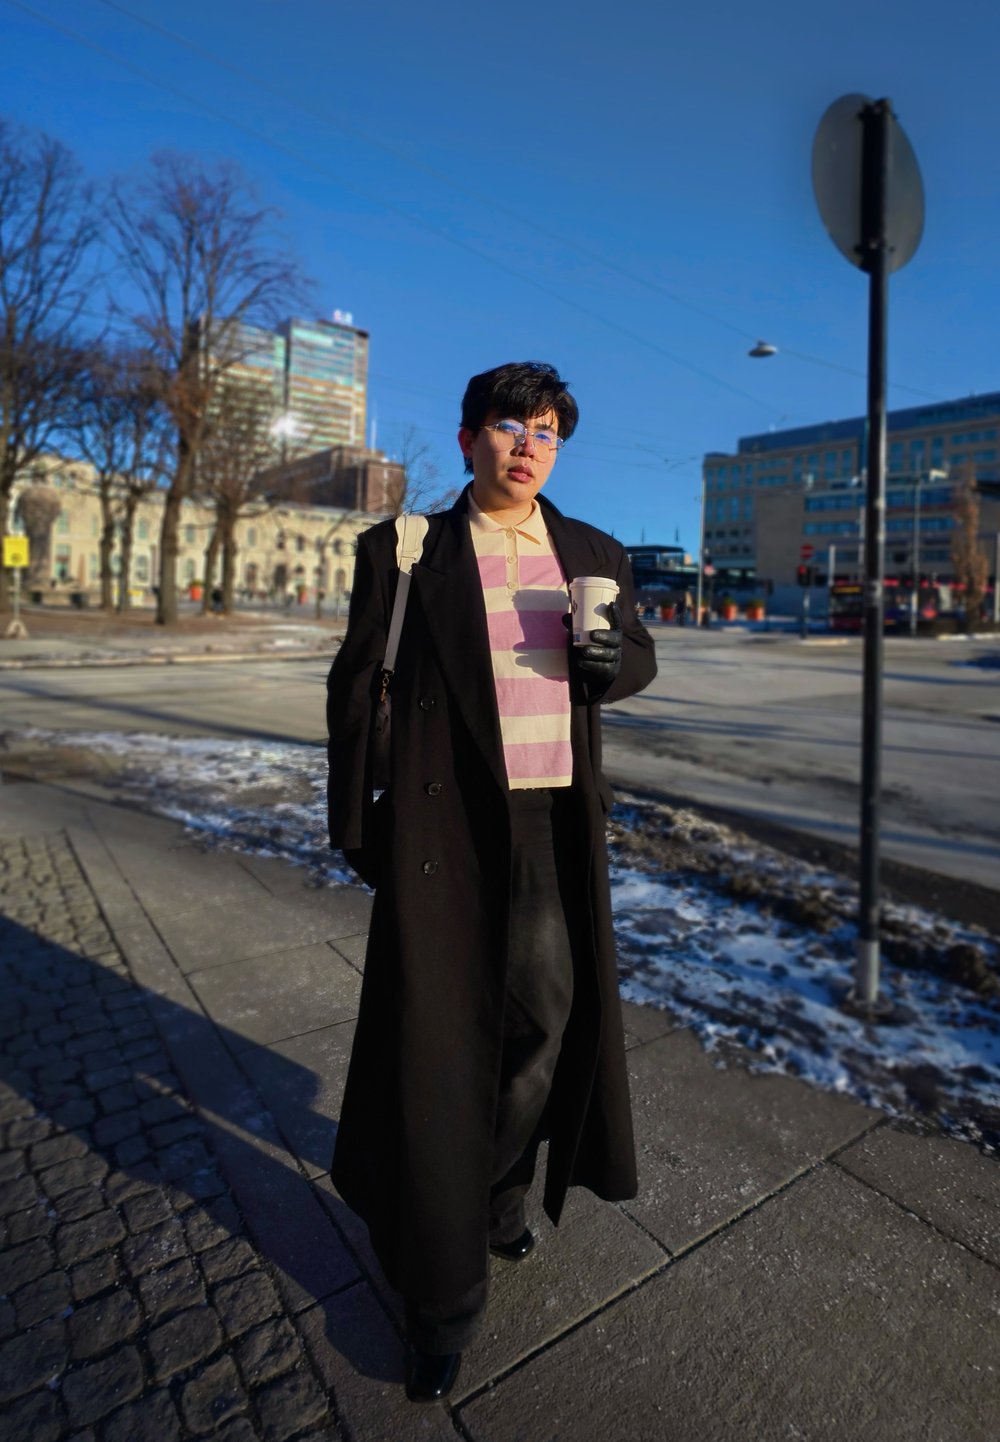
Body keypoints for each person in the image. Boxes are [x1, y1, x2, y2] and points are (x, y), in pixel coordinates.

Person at [325, 361, 656, 1403]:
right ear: (469, 437)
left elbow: (637, 654)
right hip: (441, 826)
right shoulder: (406, 548)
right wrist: (358, 826)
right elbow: (356, 684)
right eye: (511, 426)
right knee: (437, 1049)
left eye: (547, 431)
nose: (529, 445)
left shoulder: (592, 552)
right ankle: (441, 1298)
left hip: (550, 824)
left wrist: (609, 667)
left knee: (544, 1026)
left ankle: (499, 1194)